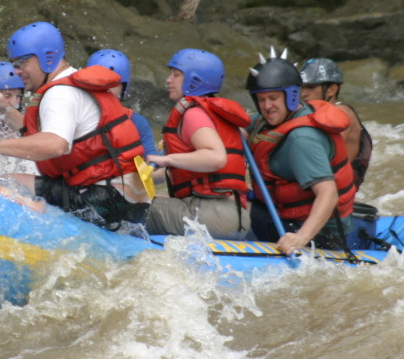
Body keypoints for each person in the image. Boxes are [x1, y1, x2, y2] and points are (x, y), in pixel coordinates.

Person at [0, 21, 149, 230]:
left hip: (107, 200)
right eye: (14, 64)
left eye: (22, 62)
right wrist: (5, 108)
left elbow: (55, 144)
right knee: (19, 179)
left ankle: (39, 215)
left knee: (3, 182)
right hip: (126, 198)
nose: (17, 71)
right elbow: (35, 131)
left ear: (47, 57)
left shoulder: (60, 94)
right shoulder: (70, 83)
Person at [245, 48, 357, 256]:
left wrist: (301, 238)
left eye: (273, 98)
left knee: (231, 209)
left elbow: (328, 194)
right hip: (282, 215)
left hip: (320, 234)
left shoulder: (302, 139)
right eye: (260, 99)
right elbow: (240, 128)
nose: (266, 106)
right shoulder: (269, 120)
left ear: (291, 96)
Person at [144, 49, 250, 238]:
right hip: (237, 219)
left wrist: (168, 159)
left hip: (211, 218)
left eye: (176, 75)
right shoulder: (216, 115)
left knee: (130, 206)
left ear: (195, 80)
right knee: (152, 199)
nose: (169, 80)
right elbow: (164, 176)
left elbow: (216, 158)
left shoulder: (194, 114)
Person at [299, 57, 373, 187]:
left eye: (311, 87)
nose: (303, 93)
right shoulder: (317, 114)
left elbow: (322, 156)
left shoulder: (341, 113)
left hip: (337, 193)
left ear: (331, 90)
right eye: (302, 87)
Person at [86, 49, 160, 159]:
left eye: (112, 84)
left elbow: (151, 162)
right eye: (99, 83)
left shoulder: (137, 123)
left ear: (123, 88)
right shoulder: (75, 114)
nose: (105, 89)